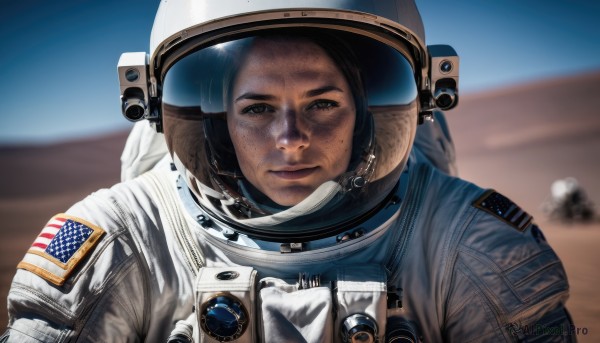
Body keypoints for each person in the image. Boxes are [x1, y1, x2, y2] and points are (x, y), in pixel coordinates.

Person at [3, 1, 574, 342]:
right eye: (256, 109)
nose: (291, 138)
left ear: (369, 117)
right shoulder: (126, 241)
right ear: (218, 123)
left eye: (323, 103)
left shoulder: (466, 245)